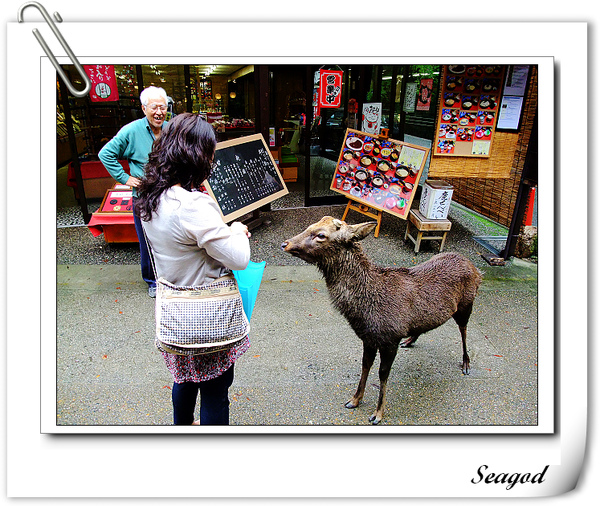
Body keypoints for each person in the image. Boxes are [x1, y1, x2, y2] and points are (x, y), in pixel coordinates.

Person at [135, 113, 251, 425]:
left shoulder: (149, 196)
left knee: (184, 380)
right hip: (207, 315)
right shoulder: (193, 205)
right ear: (198, 156)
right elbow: (238, 258)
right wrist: (237, 231)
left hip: (174, 311)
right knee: (215, 390)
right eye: (210, 150)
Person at [98, 86, 169, 297]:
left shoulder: (169, 129)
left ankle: (168, 276)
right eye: (154, 107)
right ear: (144, 108)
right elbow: (106, 154)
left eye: (163, 107)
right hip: (144, 196)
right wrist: (126, 179)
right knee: (147, 240)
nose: (159, 112)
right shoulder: (132, 130)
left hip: (167, 195)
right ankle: (152, 280)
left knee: (167, 238)